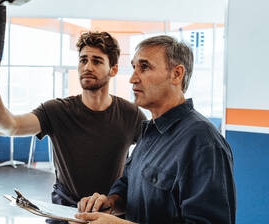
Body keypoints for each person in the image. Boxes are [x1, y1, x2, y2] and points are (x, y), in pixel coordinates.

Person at [0, 31, 147, 223]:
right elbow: (9, 127)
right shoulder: (56, 110)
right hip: (63, 214)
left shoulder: (131, 114)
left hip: (109, 215)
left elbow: (150, 160)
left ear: (113, 70)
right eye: (83, 60)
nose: (87, 66)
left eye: (96, 61)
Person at [75, 35, 236, 224]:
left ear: (176, 74)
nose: (133, 78)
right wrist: (110, 202)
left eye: (144, 67)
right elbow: (128, 184)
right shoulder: (151, 130)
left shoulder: (203, 142)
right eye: (134, 67)